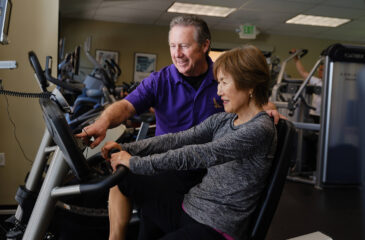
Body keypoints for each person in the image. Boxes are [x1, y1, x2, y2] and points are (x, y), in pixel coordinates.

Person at [77, 15, 280, 240]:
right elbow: (178, 139)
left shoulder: (256, 125)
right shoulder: (223, 118)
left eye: (184, 45)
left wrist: (134, 161)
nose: (219, 91)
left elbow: (202, 153)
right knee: (123, 178)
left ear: (205, 46)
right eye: (173, 46)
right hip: (184, 195)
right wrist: (127, 148)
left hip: (213, 210)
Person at [292, 49, 323, 123]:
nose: (319, 71)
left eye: (322, 70)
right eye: (319, 69)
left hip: (324, 115)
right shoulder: (317, 81)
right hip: (314, 114)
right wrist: (296, 58)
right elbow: (302, 72)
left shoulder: (332, 83)